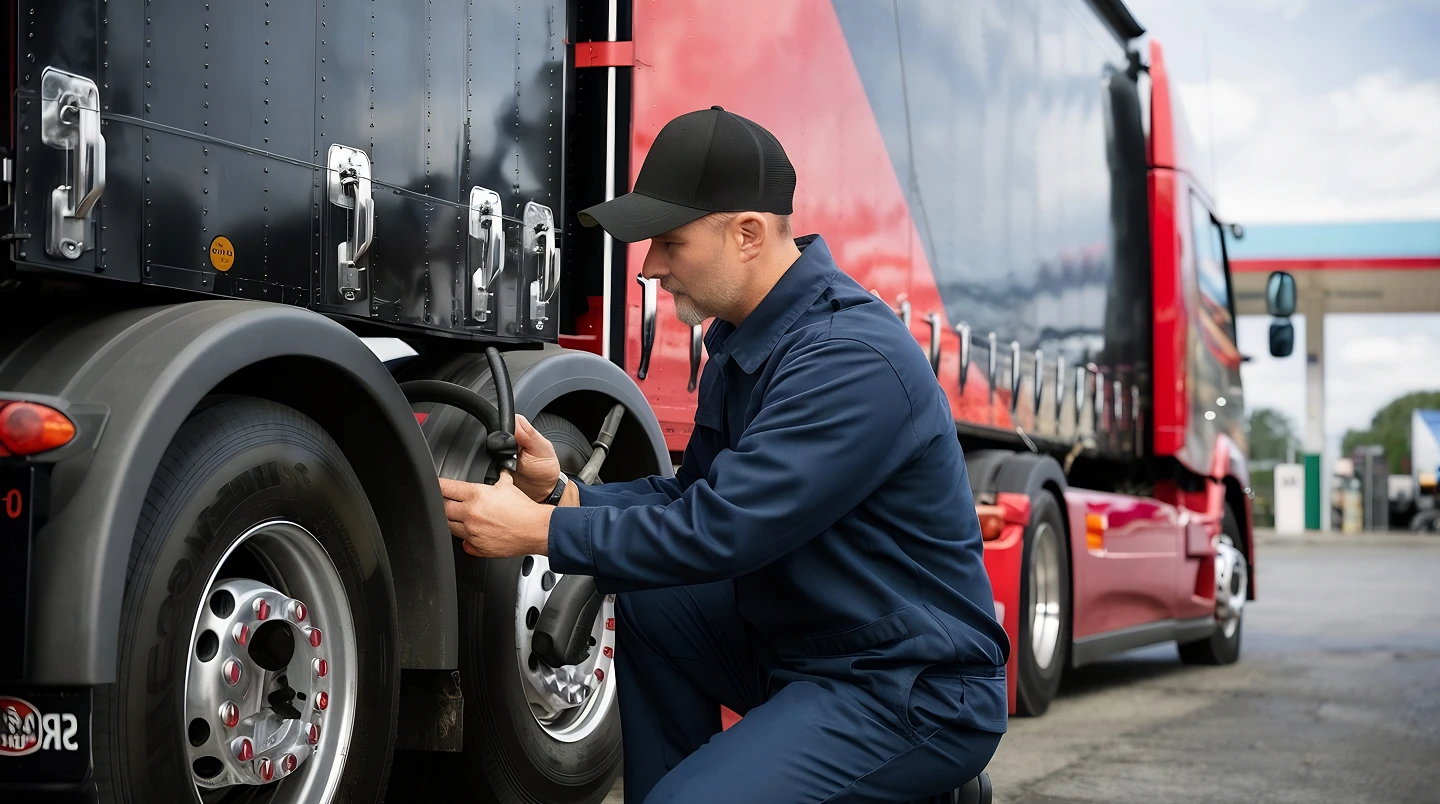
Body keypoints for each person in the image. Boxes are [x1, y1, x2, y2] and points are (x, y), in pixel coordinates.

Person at [440, 106, 1008, 803]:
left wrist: (538, 532)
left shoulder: (848, 360)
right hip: (805, 648)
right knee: (655, 598)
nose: (651, 267)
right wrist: (561, 492)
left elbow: (721, 533)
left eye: (670, 243)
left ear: (746, 234)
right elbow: (696, 496)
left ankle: (913, 779)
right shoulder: (743, 344)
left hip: (908, 684)